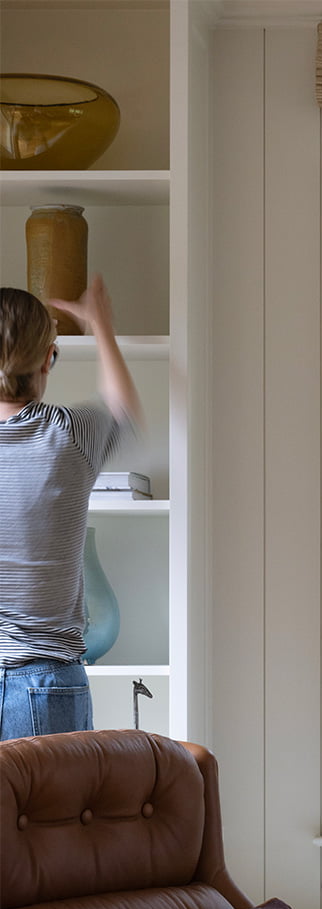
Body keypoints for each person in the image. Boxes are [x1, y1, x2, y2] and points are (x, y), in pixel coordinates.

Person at [0, 275, 142, 739]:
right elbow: (122, 408)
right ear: (47, 359)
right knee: (50, 815)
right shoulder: (68, 434)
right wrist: (101, 326)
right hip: (46, 681)